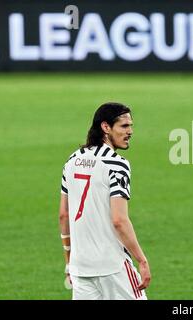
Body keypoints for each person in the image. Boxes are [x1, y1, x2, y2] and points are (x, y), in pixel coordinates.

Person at [58, 102, 151, 300]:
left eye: (131, 126)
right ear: (106, 127)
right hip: (112, 265)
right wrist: (141, 260)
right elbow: (119, 220)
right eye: (124, 126)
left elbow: (63, 215)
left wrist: (69, 262)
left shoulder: (72, 161)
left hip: (80, 267)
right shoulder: (117, 164)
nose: (130, 131)